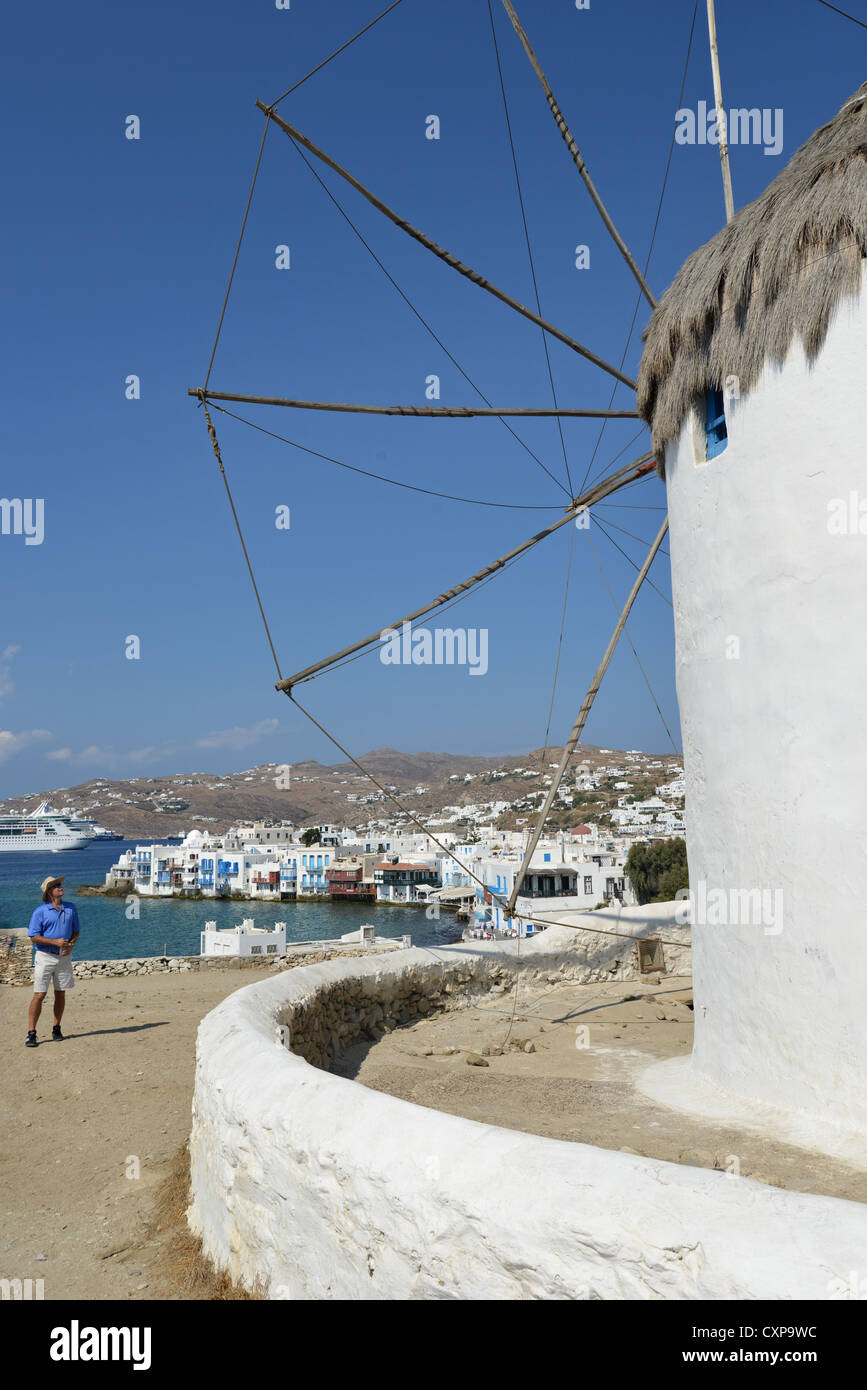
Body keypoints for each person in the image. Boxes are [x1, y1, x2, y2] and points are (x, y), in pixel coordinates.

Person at [25, 875, 80, 1047]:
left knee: (60, 992)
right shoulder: (40, 912)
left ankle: (56, 1028)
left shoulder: (71, 908)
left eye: (60, 884)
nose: (60, 886)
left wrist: (71, 944)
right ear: (50, 892)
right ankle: (31, 1033)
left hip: (63, 957)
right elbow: (33, 936)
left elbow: (76, 931)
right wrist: (55, 942)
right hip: (45, 956)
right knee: (40, 994)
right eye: (56, 885)